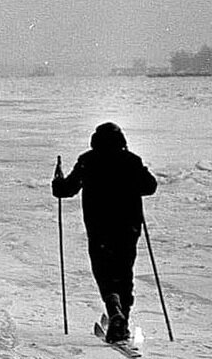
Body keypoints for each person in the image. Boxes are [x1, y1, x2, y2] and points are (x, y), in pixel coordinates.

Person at [52, 122, 158, 343]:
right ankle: (122, 322)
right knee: (124, 271)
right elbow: (150, 186)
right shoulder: (131, 160)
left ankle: (114, 309)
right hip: (128, 227)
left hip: (99, 227)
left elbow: (65, 190)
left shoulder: (88, 161)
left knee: (104, 270)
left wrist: (57, 181)